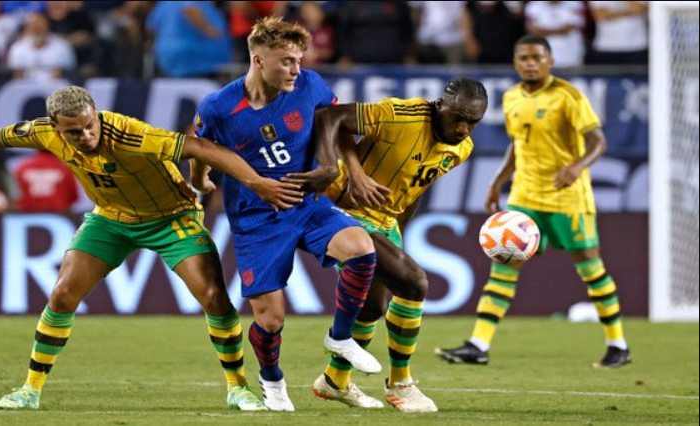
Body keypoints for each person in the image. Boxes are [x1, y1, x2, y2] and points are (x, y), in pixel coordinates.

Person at [0, 85, 307, 411]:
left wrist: (256, 182)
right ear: (56, 128)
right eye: (74, 133)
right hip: (110, 219)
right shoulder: (42, 132)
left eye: (90, 126)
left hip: (171, 219)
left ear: (97, 114)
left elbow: (199, 146)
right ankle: (29, 391)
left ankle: (238, 387)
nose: (87, 137)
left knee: (214, 297)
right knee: (62, 294)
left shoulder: (132, 135)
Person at [191, 17, 380, 411]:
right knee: (271, 319)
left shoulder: (311, 85)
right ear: (258, 61)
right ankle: (272, 379)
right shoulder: (219, 106)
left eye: (299, 60)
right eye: (287, 62)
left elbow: (337, 124)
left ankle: (340, 337)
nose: (297, 69)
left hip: (308, 204)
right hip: (256, 219)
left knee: (361, 248)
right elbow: (198, 145)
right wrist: (200, 181)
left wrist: (355, 170)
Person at [435, 35, 631, 369]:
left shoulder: (567, 96)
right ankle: (478, 344)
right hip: (525, 195)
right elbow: (517, 145)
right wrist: (497, 183)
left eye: (536, 57)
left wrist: (577, 167)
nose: (530, 63)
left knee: (590, 268)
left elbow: (598, 142)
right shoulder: (511, 97)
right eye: (523, 57)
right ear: (515, 62)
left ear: (549, 61)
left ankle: (618, 344)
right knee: (503, 267)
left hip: (567, 197)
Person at [307, 77, 488, 412]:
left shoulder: (461, 149)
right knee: (414, 282)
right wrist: (350, 171)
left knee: (373, 307)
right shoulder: (399, 115)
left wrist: (398, 240)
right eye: (458, 118)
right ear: (440, 105)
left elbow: (414, 189)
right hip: (345, 211)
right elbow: (328, 118)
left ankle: (334, 380)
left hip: (385, 221)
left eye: (473, 122)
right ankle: (401, 384)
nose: (464, 128)